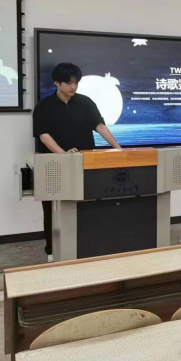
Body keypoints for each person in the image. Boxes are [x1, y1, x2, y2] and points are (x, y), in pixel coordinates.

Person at [33, 63, 121, 260]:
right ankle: (52, 250)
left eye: (76, 83)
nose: (73, 87)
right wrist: (63, 154)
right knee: (52, 209)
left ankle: (87, 247)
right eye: (68, 83)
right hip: (53, 166)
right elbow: (44, 135)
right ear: (57, 83)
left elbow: (100, 127)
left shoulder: (85, 102)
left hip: (84, 163)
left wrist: (118, 149)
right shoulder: (44, 107)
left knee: (86, 205)